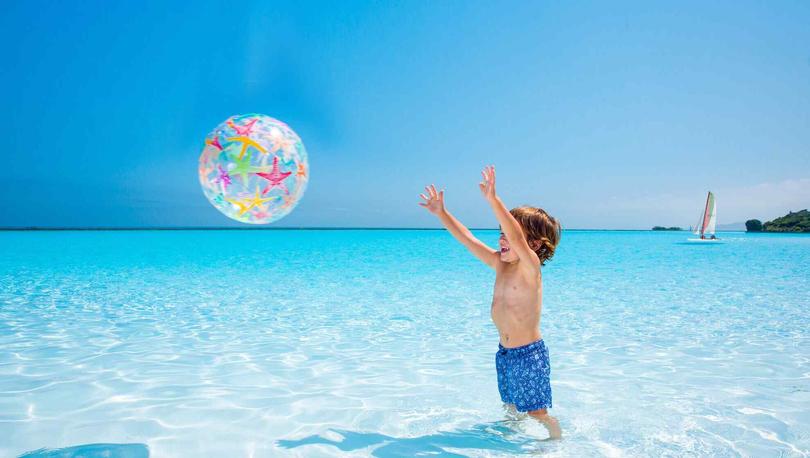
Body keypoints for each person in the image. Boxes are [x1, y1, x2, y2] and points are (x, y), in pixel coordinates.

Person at [418, 165, 563, 439]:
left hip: (529, 356)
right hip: (505, 354)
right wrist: (442, 213)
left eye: (509, 234)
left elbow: (516, 236)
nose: (502, 238)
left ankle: (555, 443)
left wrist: (493, 200)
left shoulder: (529, 268)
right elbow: (467, 240)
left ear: (533, 245)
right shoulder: (500, 264)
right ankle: (508, 444)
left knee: (537, 413)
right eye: (500, 231)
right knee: (510, 408)